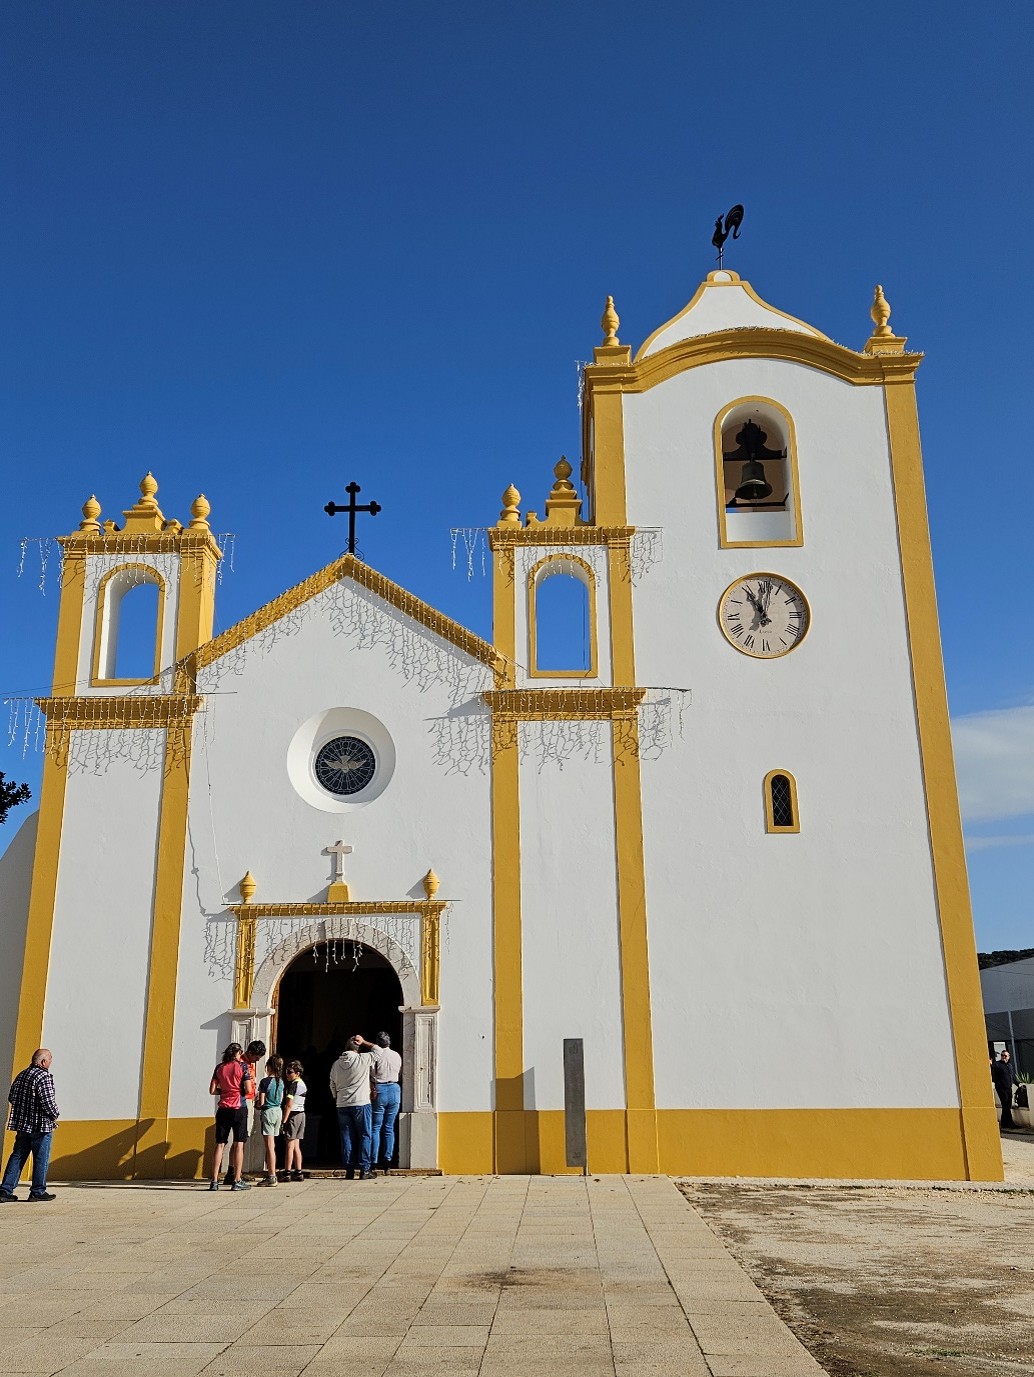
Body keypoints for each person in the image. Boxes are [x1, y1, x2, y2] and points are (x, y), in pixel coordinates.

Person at [0, 1049, 60, 1203]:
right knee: (41, 1158)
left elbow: (12, 1097)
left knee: (17, 1156)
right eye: (50, 1059)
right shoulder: (43, 1076)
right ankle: (38, 1191)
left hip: (22, 1125)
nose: (51, 1062)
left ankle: (5, 1190)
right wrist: (55, 1115)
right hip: (41, 1126)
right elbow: (48, 1102)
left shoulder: (21, 1075)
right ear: (43, 1062)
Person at [330, 1034, 376, 1180]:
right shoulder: (362, 1059)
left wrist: (336, 1097)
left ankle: (349, 1170)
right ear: (358, 1048)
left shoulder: (336, 1064)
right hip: (361, 1103)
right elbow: (379, 1052)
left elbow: (332, 1083)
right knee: (365, 1135)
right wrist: (364, 1041)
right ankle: (364, 1169)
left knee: (346, 1137)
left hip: (342, 1104)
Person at [209, 1043, 252, 1191]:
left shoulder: (219, 1067)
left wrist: (225, 1091)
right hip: (238, 1107)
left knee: (220, 1144)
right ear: (238, 1053)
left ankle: (214, 1181)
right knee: (239, 1143)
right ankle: (237, 1180)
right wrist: (236, 1091)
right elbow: (248, 1089)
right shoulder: (243, 1067)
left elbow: (212, 1090)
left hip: (223, 1108)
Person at [361, 1032, 402, 1175]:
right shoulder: (396, 1055)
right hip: (395, 1089)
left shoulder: (376, 1055)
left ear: (378, 1043)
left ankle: (373, 1161)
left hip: (380, 1089)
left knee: (376, 1127)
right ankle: (388, 1161)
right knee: (389, 1127)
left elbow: (372, 1073)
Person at [227, 1039, 266, 1184]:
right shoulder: (242, 1065)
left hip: (247, 1100)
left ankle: (234, 1171)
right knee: (240, 1139)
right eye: (257, 1057)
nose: (258, 1060)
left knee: (241, 1139)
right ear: (250, 1053)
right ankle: (235, 1172)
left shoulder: (249, 1065)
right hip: (243, 1102)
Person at [256, 1055, 284, 1187]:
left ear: (269, 1067)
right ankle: (272, 1173)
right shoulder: (281, 1082)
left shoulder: (265, 1082)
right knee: (273, 1146)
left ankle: (271, 1175)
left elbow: (261, 1102)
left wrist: (257, 1103)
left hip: (268, 1112)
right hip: (278, 1111)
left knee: (269, 1147)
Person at [281, 1060, 307, 1182]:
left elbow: (289, 1105)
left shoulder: (294, 1085)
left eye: (290, 1072)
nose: (287, 1074)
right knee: (296, 1144)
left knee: (289, 1145)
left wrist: (284, 1121)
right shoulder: (303, 1084)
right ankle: (298, 1171)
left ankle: (287, 1172)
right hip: (302, 1114)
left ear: (297, 1073)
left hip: (293, 1115)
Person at [992, 1050, 1018, 1131]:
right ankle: (1010, 1123)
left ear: (1009, 1057)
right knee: (1005, 1104)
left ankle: (1005, 1123)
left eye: (1005, 1056)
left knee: (1007, 1105)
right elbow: (993, 1067)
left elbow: (1012, 1075)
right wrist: (990, 1063)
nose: (1003, 1057)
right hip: (1001, 1088)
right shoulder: (997, 1064)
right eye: (1002, 1055)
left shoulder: (1009, 1066)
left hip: (1008, 1088)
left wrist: (1018, 1084)